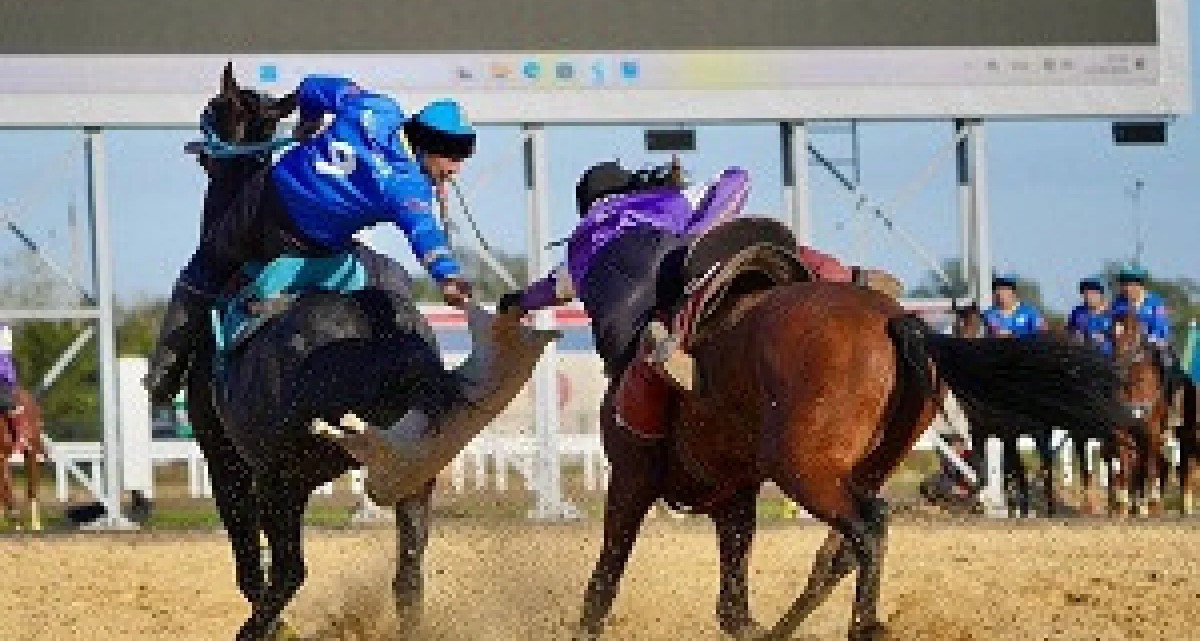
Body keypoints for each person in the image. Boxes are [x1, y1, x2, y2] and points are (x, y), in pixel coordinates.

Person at [144, 75, 476, 406]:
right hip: (314, 244)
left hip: (263, 208)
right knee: (393, 277)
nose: (456, 168)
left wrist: (308, 123)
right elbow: (425, 233)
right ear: (428, 145)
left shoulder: (376, 107)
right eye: (453, 157)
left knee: (207, 267)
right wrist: (447, 276)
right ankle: (427, 377)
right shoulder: (407, 186)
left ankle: (164, 375)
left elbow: (314, 87)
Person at [497, 160, 889, 439]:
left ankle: (658, 355)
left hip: (616, 323)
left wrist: (513, 303)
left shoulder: (579, 245)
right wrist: (700, 232)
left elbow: (543, 293)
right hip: (669, 261)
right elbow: (738, 179)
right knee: (754, 246)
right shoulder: (658, 201)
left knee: (634, 371)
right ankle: (843, 277)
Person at [1110, 262, 1174, 374]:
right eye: (1124, 284)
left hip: (1151, 344)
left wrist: (1148, 341)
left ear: (1140, 285)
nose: (1127, 288)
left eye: (1131, 284)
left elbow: (1161, 328)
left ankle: (1174, 388)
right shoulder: (1117, 303)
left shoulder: (1155, 302)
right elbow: (1114, 325)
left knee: (1168, 362)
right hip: (1124, 347)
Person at [982, 273, 1047, 339]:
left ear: (1013, 292)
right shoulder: (988, 314)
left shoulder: (1030, 312)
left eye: (1004, 289)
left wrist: (1014, 335)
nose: (999, 293)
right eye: (996, 289)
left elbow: (1043, 333)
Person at [1066, 276, 1114, 355]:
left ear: (1100, 294)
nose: (1088, 297)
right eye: (1085, 293)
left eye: (1092, 293)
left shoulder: (1113, 312)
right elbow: (1069, 332)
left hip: (1108, 358)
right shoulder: (1077, 312)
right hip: (1082, 356)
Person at [0, 323, 19, 443]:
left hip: (3, 378)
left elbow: (4, 359)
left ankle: (15, 437)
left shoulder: (4, 329)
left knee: (7, 404)